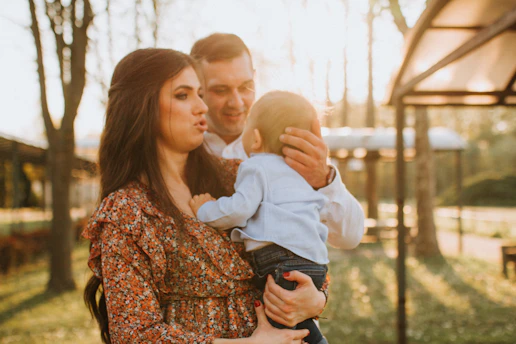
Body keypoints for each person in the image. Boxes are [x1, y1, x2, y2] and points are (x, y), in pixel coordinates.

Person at [83, 48, 325, 344]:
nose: (202, 107)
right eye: (183, 95)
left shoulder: (238, 175)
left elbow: (300, 245)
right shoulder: (127, 211)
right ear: (141, 106)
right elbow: (134, 335)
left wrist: (317, 298)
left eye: (200, 94)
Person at [191, 33, 365, 326]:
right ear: (198, 90)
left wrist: (323, 179)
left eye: (246, 86)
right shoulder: (182, 152)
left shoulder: (290, 142)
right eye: (220, 90)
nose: (237, 102)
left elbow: (349, 236)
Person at [190, 91, 335, 344]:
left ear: (255, 138)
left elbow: (240, 208)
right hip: (317, 265)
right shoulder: (300, 174)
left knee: (283, 330)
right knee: (296, 322)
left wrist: (206, 210)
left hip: (280, 259)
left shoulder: (256, 166)